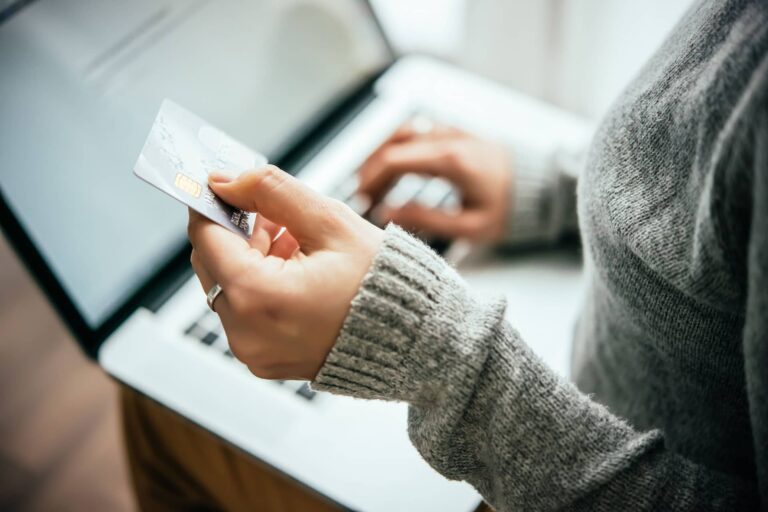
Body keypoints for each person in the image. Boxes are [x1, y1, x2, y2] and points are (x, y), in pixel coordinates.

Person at [126, 0, 767, 510]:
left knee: (151, 412)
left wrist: (435, 354)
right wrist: (558, 190)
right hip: (585, 391)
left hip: (558, 464)